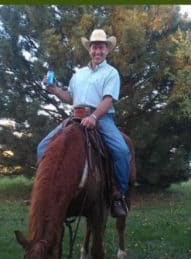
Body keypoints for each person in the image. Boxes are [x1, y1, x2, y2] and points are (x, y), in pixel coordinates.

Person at [40, 29, 130, 217]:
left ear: (107, 50)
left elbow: (108, 100)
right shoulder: (78, 74)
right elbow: (70, 97)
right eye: (94, 47)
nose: (98, 51)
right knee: (42, 147)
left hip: (101, 118)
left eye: (101, 48)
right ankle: (45, 193)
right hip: (75, 117)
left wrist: (94, 117)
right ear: (89, 50)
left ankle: (118, 195)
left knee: (122, 151)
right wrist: (54, 89)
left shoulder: (111, 73)